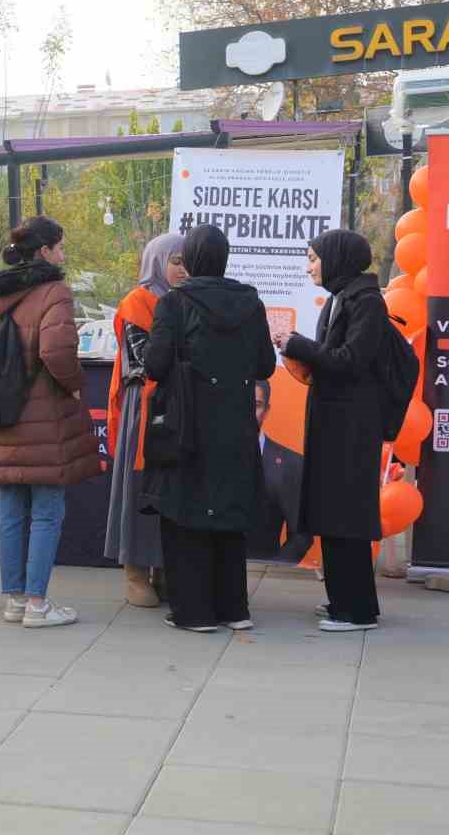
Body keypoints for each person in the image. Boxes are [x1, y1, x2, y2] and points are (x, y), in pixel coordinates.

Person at [143, 224, 275, 632]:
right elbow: (265, 366)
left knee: (186, 513)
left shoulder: (175, 304)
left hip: (188, 425)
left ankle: (194, 612)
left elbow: (154, 365)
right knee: (229, 514)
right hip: (235, 423)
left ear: (194, 258)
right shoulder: (250, 302)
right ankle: (234, 609)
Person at [0, 216, 101, 628]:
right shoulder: (53, 292)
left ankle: (13, 601)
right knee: (47, 510)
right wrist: (76, 385)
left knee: (11, 508)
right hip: (43, 417)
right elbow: (57, 351)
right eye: (60, 247)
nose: (63, 254)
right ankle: (37, 605)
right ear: (45, 251)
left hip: (2, 414)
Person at [276, 228, 385, 632]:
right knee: (335, 513)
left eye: (313, 258)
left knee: (347, 515)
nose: (309, 267)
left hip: (352, 426)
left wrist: (299, 344)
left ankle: (355, 611)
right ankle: (345, 600)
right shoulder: (346, 298)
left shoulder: (366, 303)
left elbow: (351, 360)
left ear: (336, 258)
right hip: (337, 421)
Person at [103, 232, 185, 607]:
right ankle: (135, 571)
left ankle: (168, 568)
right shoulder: (137, 301)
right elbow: (142, 363)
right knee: (140, 488)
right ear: (157, 261)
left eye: (187, 261)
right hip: (146, 408)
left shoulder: (188, 301)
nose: (183, 269)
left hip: (179, 406)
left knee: (172, 489)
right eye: (176, 261)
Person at [250, 378, 307, 563]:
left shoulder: (291, 464)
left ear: (266, 410)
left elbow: (301, 535)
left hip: (263, 569)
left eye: (256, 405)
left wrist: (275, 565)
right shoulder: (211, 456)